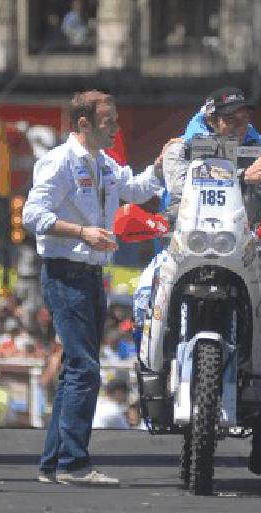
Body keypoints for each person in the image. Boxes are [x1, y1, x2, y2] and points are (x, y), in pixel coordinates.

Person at [134, 87, 261, 491]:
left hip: (242, 255)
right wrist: (243, 175)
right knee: (142, 302)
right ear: (212, 119)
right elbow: (175, 187)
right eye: (232, 117)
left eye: (245, 115)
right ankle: (153, 375)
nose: (241, 123)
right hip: (182, 250)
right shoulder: (182, 146)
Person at [22, 90, 168, 486]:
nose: (116, 128)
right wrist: (83, 232)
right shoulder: (58, 162)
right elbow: (33, 214)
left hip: (89, 275)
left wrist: (158, 166)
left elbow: (136, 190)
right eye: (109, 122)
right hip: (66, 273)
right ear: (83, 123)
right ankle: (73, 462)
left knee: (77, 368)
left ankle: (55, 462)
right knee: (84, 368)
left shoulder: (103, 163)